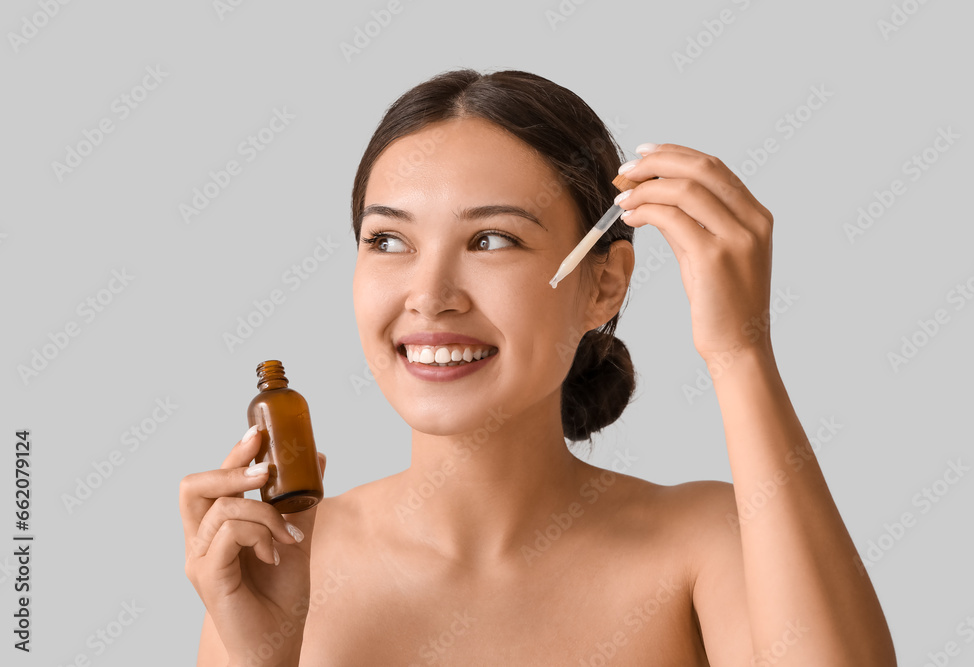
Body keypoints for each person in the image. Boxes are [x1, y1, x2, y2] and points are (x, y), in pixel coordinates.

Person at [180, 68, 897, 666]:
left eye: (492, 239)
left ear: (604, 283)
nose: (429, 297)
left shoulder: (703, 542)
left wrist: (741, 352)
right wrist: (257, 655)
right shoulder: (279, 564)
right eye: (389, 239)